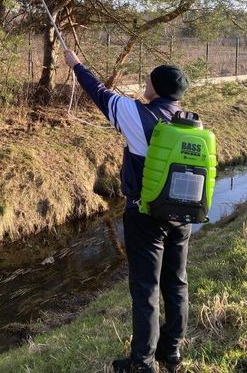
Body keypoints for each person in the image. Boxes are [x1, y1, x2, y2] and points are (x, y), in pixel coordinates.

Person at [64, 49, 191, 373]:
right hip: (182, 217)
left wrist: (77, 64)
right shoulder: (187, 122)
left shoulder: (138, 115)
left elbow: (100, 94)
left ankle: (143, 363)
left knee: (145, 289)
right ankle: (171, 354)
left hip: (145, 216)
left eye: (149, 81)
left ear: (157, 88)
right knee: (176, 285)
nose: (145, 83)